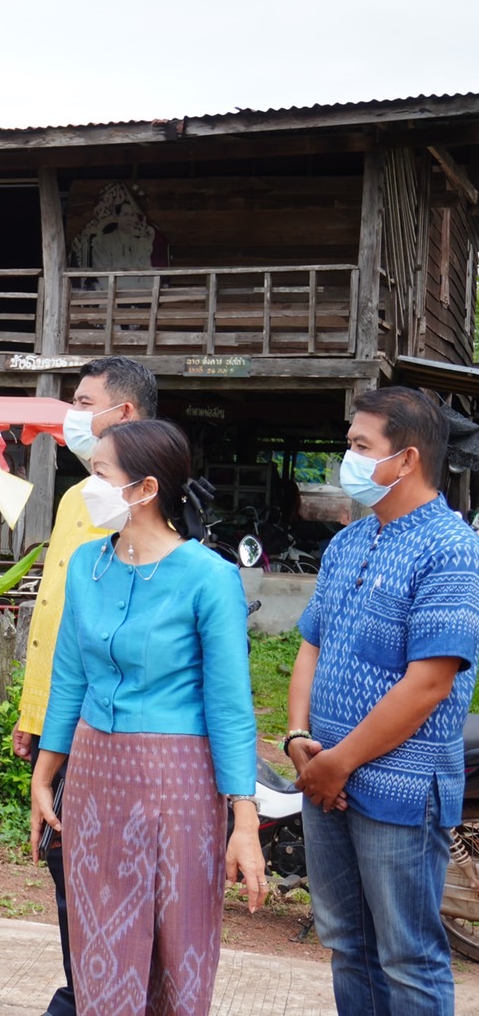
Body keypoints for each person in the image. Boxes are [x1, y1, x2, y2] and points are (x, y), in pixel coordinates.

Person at [30, 419, 266, 1014]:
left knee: (176, 945)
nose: (89, 487)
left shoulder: (209, 577)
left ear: (145, 488)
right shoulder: (87, 565)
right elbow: (70, 675)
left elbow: (231, 705)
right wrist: (45, 774)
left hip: (178, 782)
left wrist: (244, 819)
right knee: (98, 945)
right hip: (94, 774)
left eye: (100, 474)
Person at [285, 387, 479, 1014]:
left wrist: (338, 763)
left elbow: (429, 683)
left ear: (407, 459)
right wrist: (297, 739)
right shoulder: (348, 542)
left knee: (408, 955)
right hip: (322, 775)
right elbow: (311, 646)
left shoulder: (452, 548)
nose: (350, 458)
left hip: (399, 783)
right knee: (346, 942)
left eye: (361, 447)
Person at [12, 355, 155, 1016]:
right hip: (58, 717)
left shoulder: (146, 502)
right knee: (64, 867)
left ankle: (102, 994)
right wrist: (33, 713)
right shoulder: (78, 496)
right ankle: (83, 987)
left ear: (122, 414)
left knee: (107, 873)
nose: (70, 414)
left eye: (81, 399)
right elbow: (55, 622)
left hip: (110, 727)